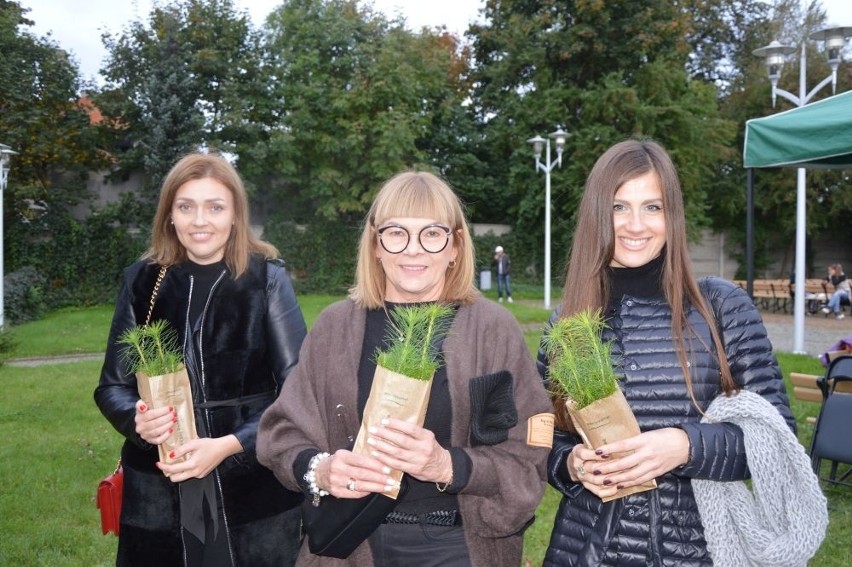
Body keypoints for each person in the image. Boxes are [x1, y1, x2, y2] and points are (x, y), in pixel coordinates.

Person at [257, 171, 553, 566]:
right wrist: (323, 470)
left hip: (458, 546)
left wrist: (447, 464)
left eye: (432, 234)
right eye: (396, 233)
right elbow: (280, 433)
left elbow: (529, 453)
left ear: (455, 246)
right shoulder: (336, 327)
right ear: (376, 244)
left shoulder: (493, 329)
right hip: (351, 544)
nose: (413, 250)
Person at [537, 139, 795, 566]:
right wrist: (572, 465)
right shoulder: (569, 321)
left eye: (652, 207)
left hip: (697, 549)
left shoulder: (721, 307)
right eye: (619, 207)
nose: (635, 224)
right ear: (597, 214)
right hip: (586, 548)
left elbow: (777, 440)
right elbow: (546, 436)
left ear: (671, 215)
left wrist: (685, 446)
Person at [94, 152, 307, 567]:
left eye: (215, 207)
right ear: (169, 215)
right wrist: (136, 419)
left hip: (248, 479)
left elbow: (296, 386)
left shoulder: (266, 279)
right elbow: (111, 386)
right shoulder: (142, 281)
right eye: (186, 206)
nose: (200, 220)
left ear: (234, 215)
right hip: (159, 482)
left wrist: (229, 445)